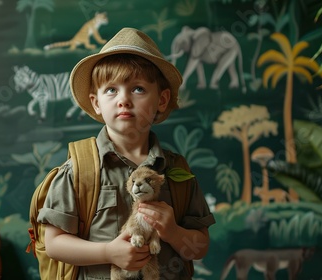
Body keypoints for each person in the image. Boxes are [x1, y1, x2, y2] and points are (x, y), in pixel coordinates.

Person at [37, 27, 215, 279]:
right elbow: (53, 243)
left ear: (162, 100)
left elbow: (200, 248)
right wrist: (108, 252)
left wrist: (173, 232)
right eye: (111, 90)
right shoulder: (78, 169)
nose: (123, 99)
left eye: (138, 89)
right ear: (96, 103)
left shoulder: (178, 172)